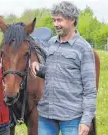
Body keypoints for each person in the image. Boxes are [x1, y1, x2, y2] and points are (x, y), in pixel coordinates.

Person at [31, 1, 97, 135]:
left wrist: (86, 120)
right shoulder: (51, 43)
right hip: (46, 115)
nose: (55, 24)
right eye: (54, 20)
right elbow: (54, 73)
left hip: (71, 117)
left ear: (72, 19)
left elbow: (90, 89)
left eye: (59, 20)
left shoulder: (83, 48)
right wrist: (39, 68)